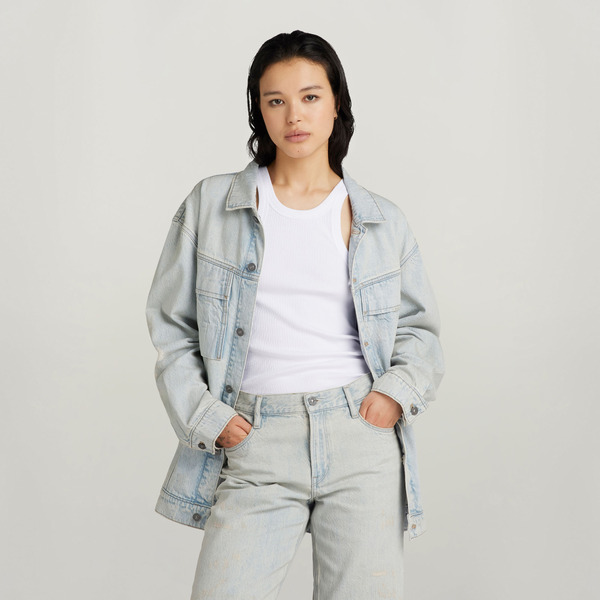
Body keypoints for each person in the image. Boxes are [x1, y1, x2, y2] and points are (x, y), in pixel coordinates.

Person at [145, 29, 445, 600]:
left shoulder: (382, 220)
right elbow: (172, 327)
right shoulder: (212, 205)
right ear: (259, 110)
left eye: (310, 96)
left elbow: (419, 330)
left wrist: (392, 396)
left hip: (361, 438)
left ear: (337, 104)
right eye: (275, 100)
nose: (294, 115)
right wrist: (208, 418)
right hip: (256, 438)